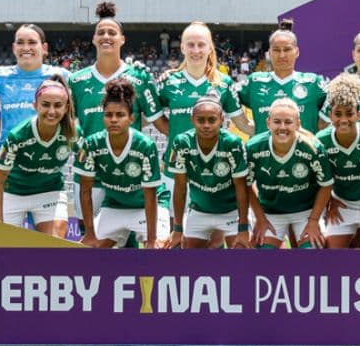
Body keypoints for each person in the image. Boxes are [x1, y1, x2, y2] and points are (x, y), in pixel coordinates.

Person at [68, 2, 167, 225]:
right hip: (91, 174)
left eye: (112, 33)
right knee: (90, 237)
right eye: (100, 32)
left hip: (129, 174)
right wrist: (83, 149)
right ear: (93, 39)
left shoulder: (140, 79)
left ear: (122, 39)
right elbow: (69, 124)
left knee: (129, 238)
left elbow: (160, 123)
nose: (106, 36)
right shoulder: (76, 81)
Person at [74, 79, 161, 249]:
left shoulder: (145, 145)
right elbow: (85, 190)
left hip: (143, 206)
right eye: (108, 115)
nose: (113, 120)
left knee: (159, 249)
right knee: (91, 249)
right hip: (114, 204)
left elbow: (150, 195)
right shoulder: (92, 144)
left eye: (120, 115)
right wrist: (90, 234)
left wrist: (151, 240)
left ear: (131, 118)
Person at [0, 76, 78, 238]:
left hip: (49, 192)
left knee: (55, 245)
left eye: (58, 105)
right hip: (13, 192)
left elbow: (91, 165)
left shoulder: (72, 133)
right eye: (45, 105)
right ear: (35, 105)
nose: (52, 111)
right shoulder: (17, 135)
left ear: (66, 108)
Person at [246, 98, 334, 248]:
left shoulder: (313, 148)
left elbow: (326, 185)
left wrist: (313, 221)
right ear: (268, 123)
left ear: (298, 124)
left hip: (306, 212)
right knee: (263, 258)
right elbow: (246, 185)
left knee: (312, 253)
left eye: (288, 122)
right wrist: (260, 219)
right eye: (277, 121)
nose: (282, 127)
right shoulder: (253, 147)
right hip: (270, 213)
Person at [167, 94, 250, 250]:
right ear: (192, 120)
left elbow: (241, 188)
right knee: (178, 252)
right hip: (199, 212)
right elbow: (180, 188)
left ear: (222, 120)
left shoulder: (233, 144)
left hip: (230, 212)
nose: (206, 125)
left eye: (212, 120)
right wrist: (177, 229)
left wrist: (243, 227)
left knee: (242, 252)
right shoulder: (181, 142)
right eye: (201, 120)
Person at [317, 75, 360, 249]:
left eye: (350, 113)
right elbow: (319, 180)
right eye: (338, 114)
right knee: (333, 258)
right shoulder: (321, 141)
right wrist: (329, 203)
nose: (344, 119)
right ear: (330, 115)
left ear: (359, 114)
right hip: (342, 205)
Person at [236, 19, 328, 131]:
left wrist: (321, 129)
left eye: (287, 49)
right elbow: (225, 96)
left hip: (304, 148)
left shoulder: (313, 83)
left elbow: (339, 101)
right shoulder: (254, 82)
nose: (282, 55)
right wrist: (247, 127)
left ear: (297, 52)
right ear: (269, 53)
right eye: (276, 50)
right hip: (265, 148)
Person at [0, 24, 68, 146]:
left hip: (48, 157)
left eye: (32, 42)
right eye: (20, 42)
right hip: (8, 157)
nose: (26, 47)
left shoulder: (61, 76)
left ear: (44, 47)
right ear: (14, 48)